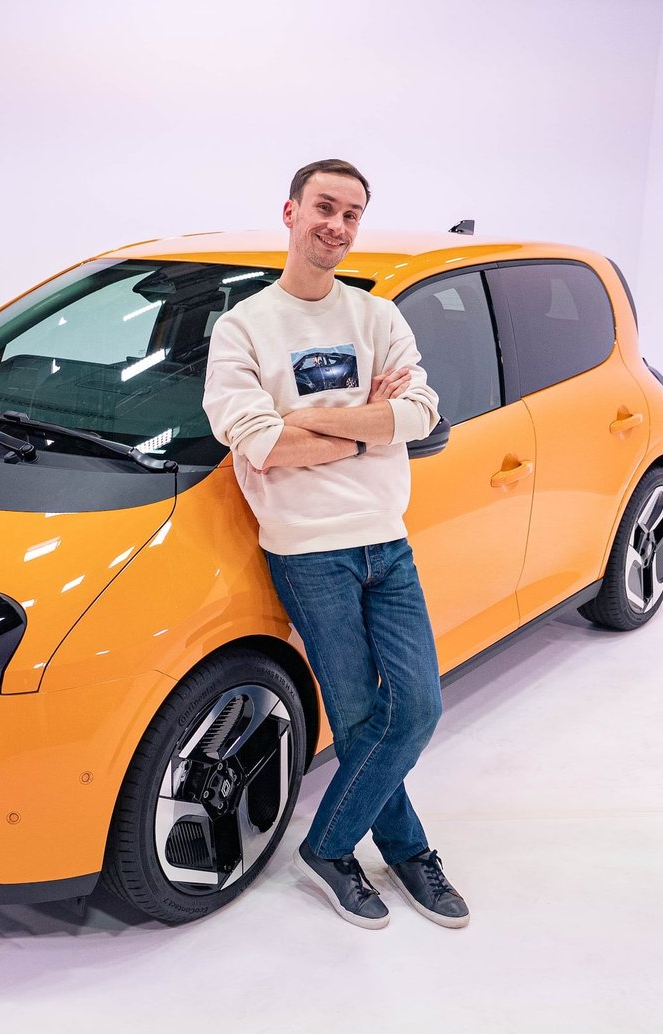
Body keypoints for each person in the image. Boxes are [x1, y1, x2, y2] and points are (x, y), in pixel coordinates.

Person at [202, 159, 469, 929]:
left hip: (387, 540)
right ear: (291, 212)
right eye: (324, 207)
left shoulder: (377, 317)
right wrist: (368, 427)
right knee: (356, 717)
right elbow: (260, 442)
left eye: (352, 214)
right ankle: (408, 850)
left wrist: (314, 422)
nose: (337, 225)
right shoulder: (245, 327)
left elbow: (421, 412)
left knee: (416, 705)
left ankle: (326, 845)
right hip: (308, 549)